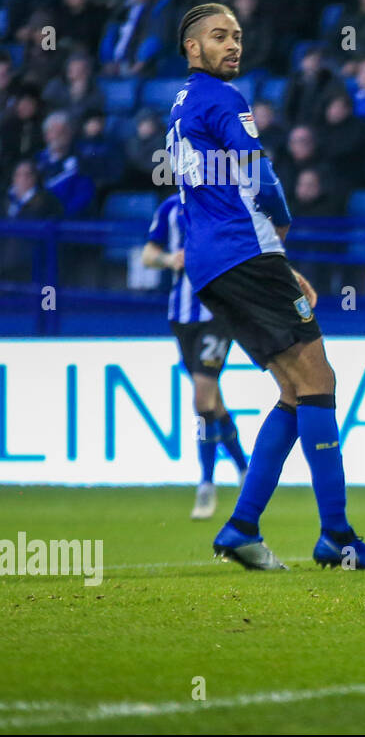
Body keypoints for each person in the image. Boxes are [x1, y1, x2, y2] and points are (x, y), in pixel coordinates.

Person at [171, 1, 365, 571]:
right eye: (219, 37)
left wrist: (276, 259)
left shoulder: (183, 107)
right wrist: (282, 219)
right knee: (319, 378)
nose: (233, 45)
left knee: (297, 389)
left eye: (238, 36)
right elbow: (255, 168)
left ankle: (242, 527)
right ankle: (337, 536)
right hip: (244, 252)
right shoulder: (224, 99)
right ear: (193, 49)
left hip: (215, 263)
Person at [142, 194, 250, 520]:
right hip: (181, 317)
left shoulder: (224, 202)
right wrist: (168, 260)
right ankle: (246, 470)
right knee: (213, 402)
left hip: (217, 315)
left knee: (202, 396)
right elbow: (148, 254)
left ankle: (206, 484)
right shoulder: (169, 208)